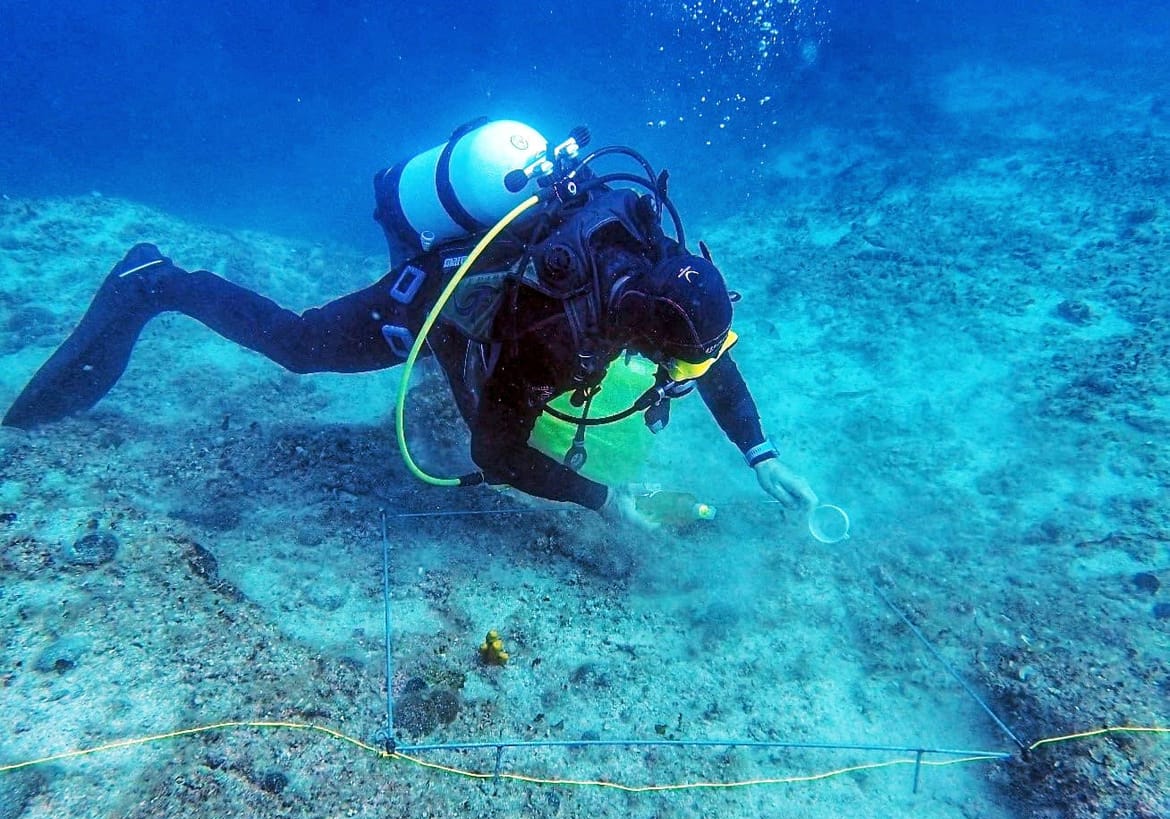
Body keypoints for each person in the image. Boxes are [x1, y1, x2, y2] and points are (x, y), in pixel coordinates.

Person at [2, 121, 817, 528]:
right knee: (301, 346)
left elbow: (707, 354)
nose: (682, 374)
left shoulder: (654, 252)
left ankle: (446, 328)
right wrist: (607, 500)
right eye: (676, 362)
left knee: (472, 376)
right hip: (436, 298)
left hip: (494, 286)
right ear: (645, 330)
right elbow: (495, 455)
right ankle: (159, 282)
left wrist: (762, 453)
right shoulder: (553, 335)